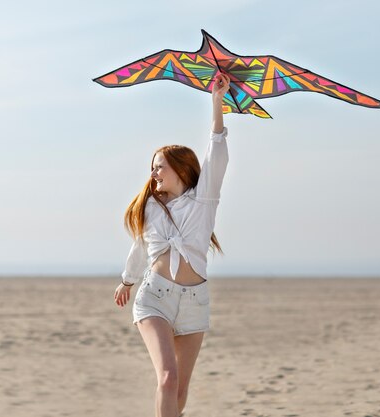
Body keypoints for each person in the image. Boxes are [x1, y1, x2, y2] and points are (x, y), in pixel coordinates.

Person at [113, 72, 231, 417]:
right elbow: (141, 249)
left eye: (159, 167)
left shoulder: (203, 200)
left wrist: (217, 102)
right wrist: (127, 281)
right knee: (166, 378)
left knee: (179, 391)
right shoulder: (150, 206)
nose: (153, 174)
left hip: (195, 302)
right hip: (156, 297)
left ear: (180, 169)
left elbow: (217, 149)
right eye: (151, 168)